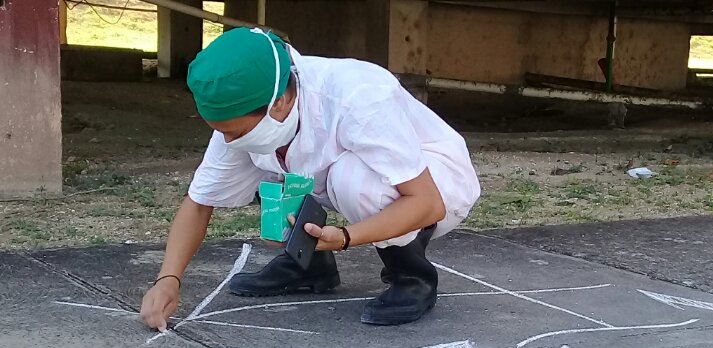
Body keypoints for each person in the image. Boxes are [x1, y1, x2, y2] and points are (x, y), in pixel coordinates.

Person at [139, 27, 480, 329]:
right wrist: (168, 279)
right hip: (338, 180)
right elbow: (200, 201)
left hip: (433, 183)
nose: (227, 142)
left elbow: (427, 202)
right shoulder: (250, 108)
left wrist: (346, 237)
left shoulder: (358, 96)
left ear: (281, 102)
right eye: (220, 131)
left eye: (233, 132)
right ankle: (308, 264)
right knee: (260, 169)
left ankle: (412, 277)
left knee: (353, 180)